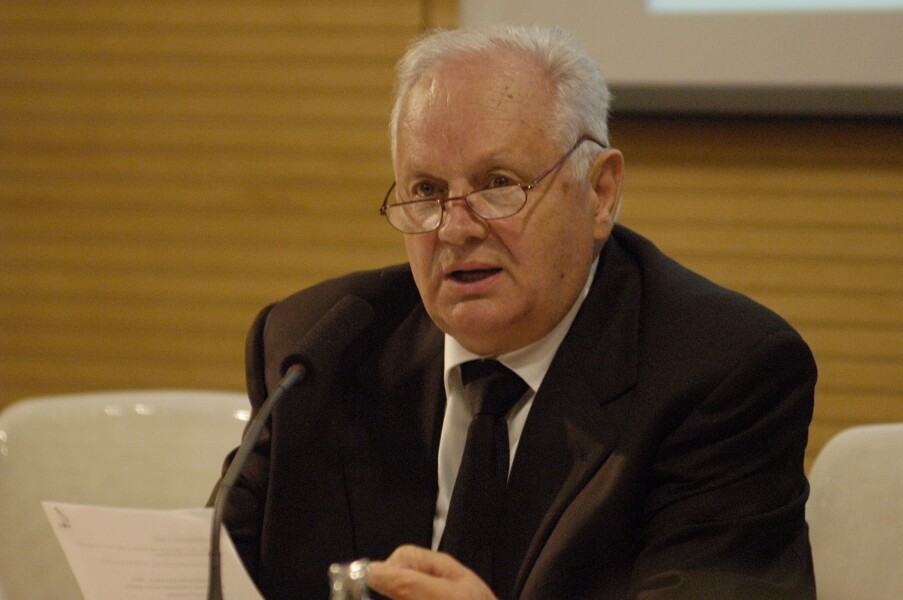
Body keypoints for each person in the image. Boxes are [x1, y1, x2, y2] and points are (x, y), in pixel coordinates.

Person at [214, 24, 817, 600]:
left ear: (600, 193)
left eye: (499, 183)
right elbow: (203, 573)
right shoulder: (318, 350)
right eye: (426, 191)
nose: (455, 228)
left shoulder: (721, 375)